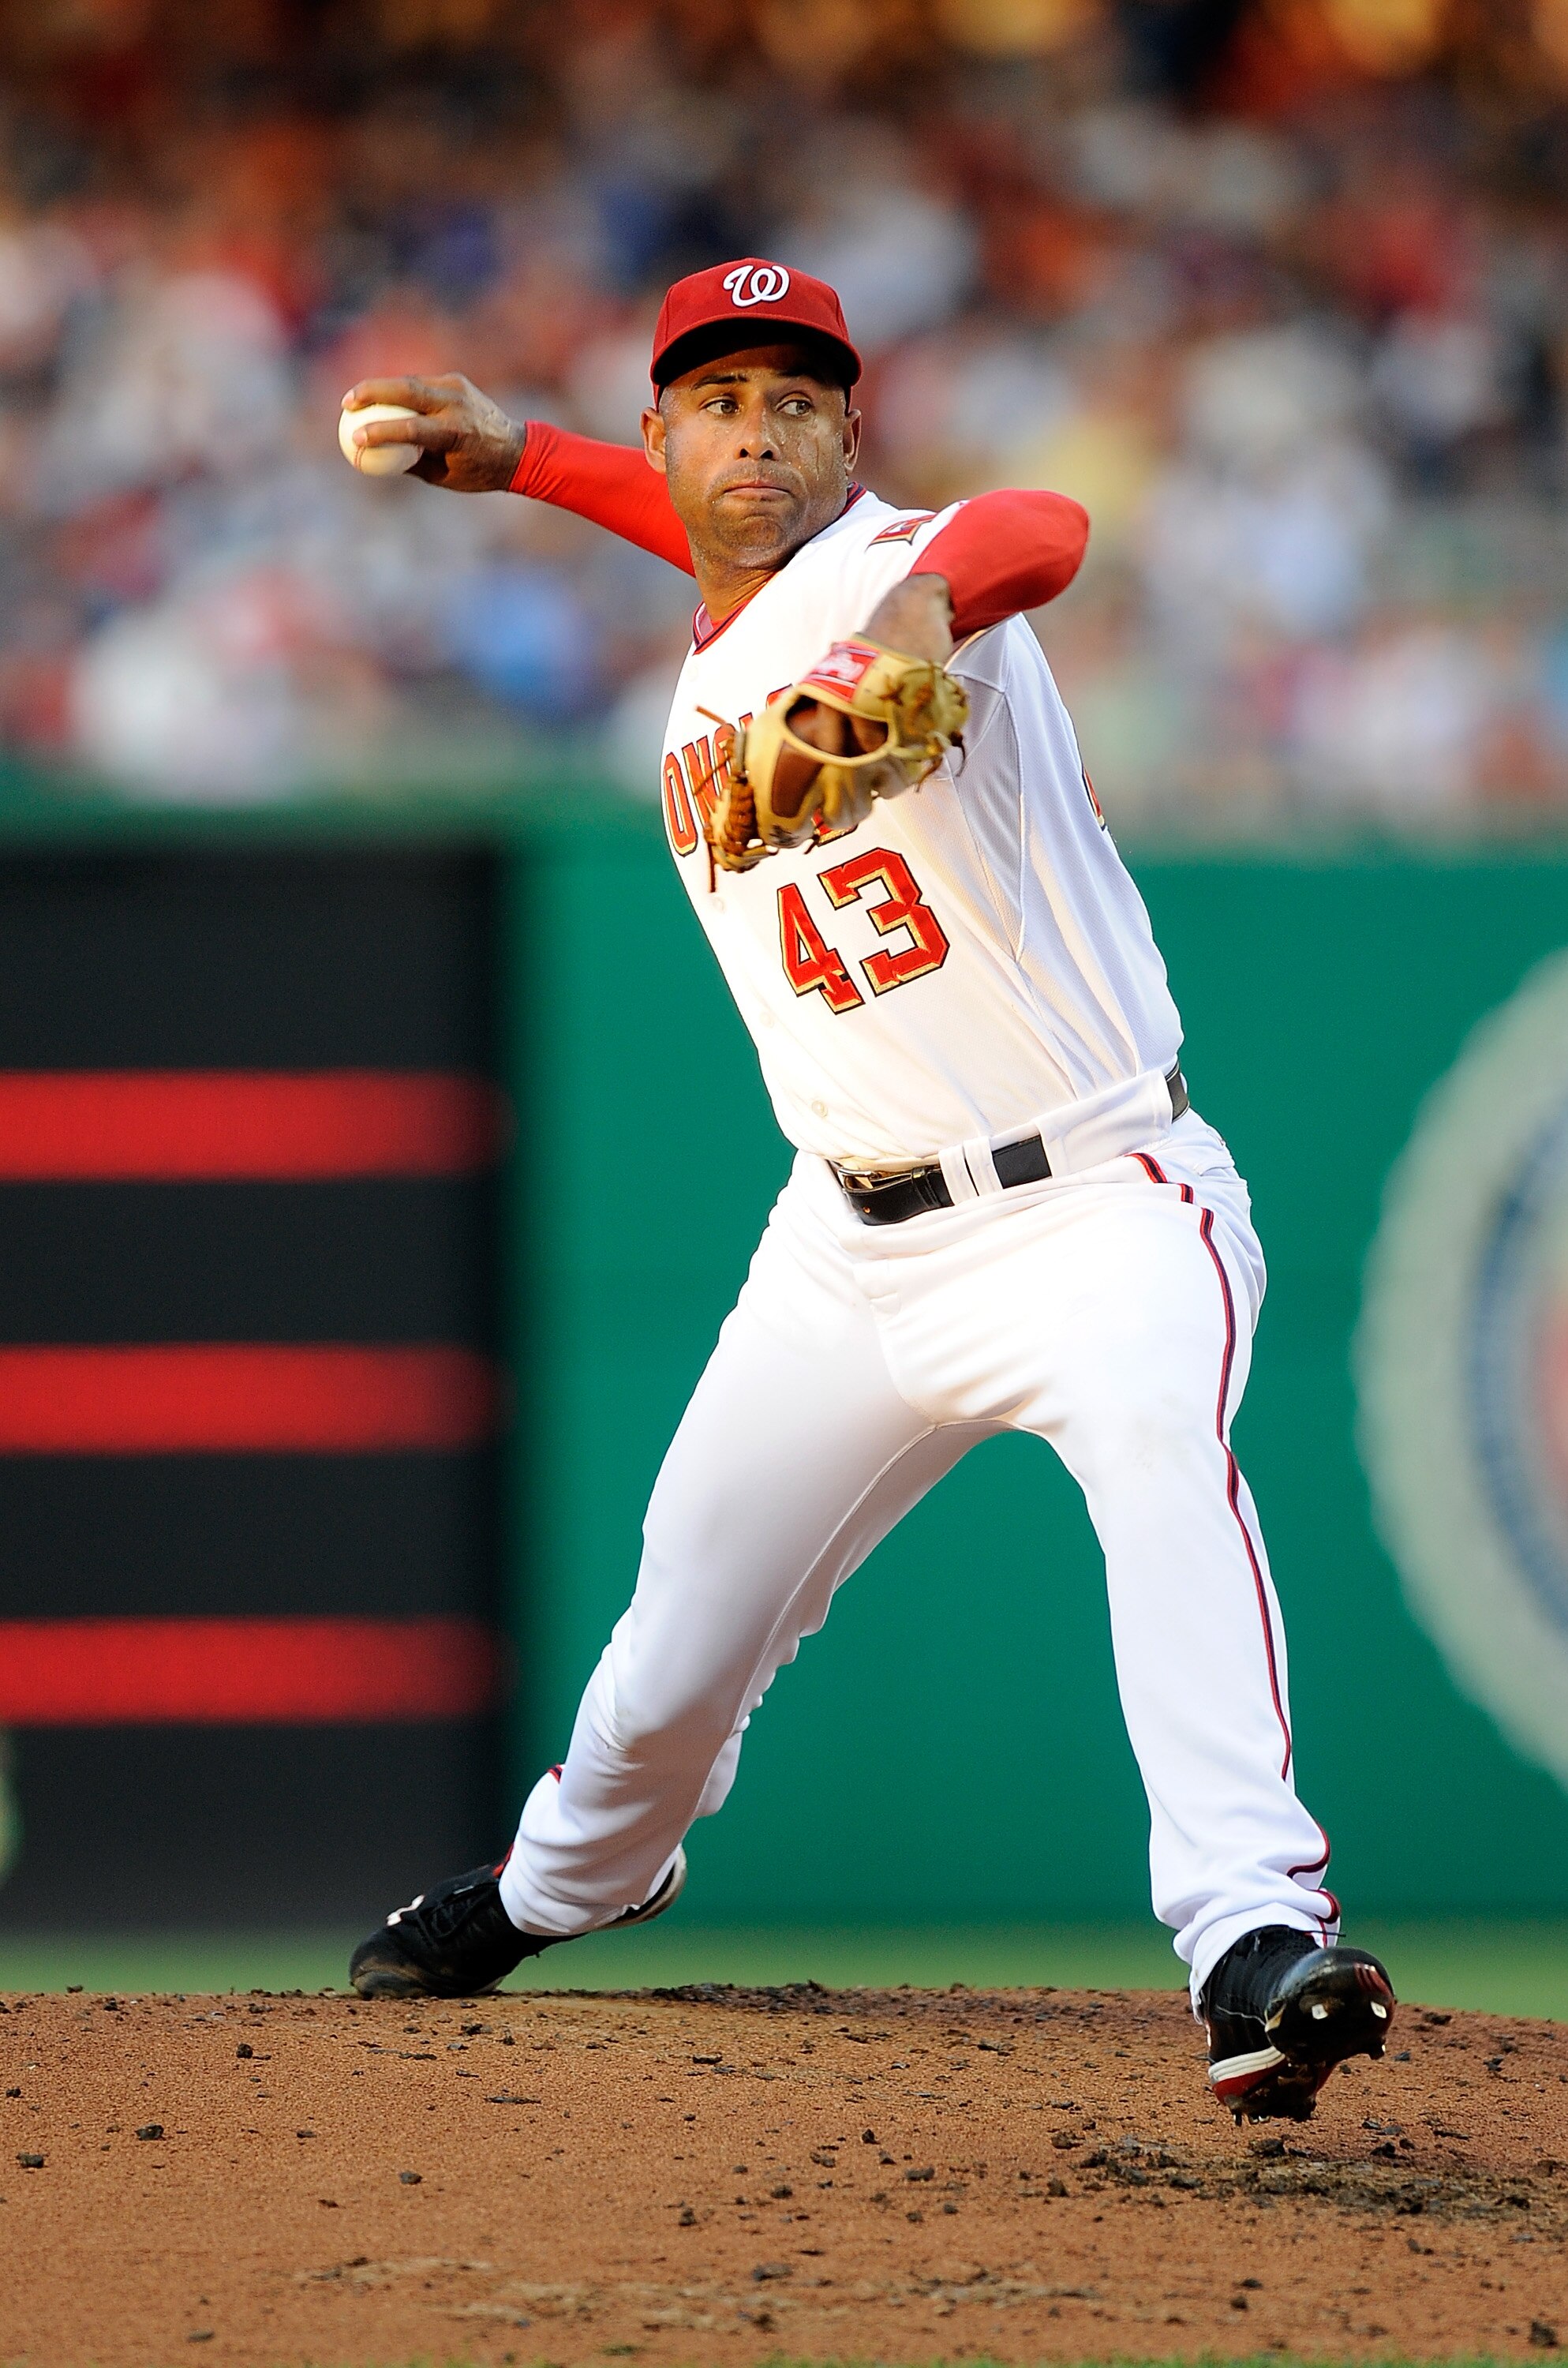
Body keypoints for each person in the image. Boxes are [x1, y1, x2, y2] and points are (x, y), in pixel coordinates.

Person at [341, 259, 1394, 2122]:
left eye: (801, 400)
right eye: (719, 402)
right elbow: (695, 533)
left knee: (1162, 1463)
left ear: (853, 436)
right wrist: (524, 465)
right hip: (841, 1247)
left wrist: (916, 611)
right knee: (672, 1649)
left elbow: (1039, 525)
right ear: (665, 435)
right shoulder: (720, 617)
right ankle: (564, 1886)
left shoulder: (902, 572)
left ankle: (1251, 1934)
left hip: (1099, 1202)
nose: (761, 430)